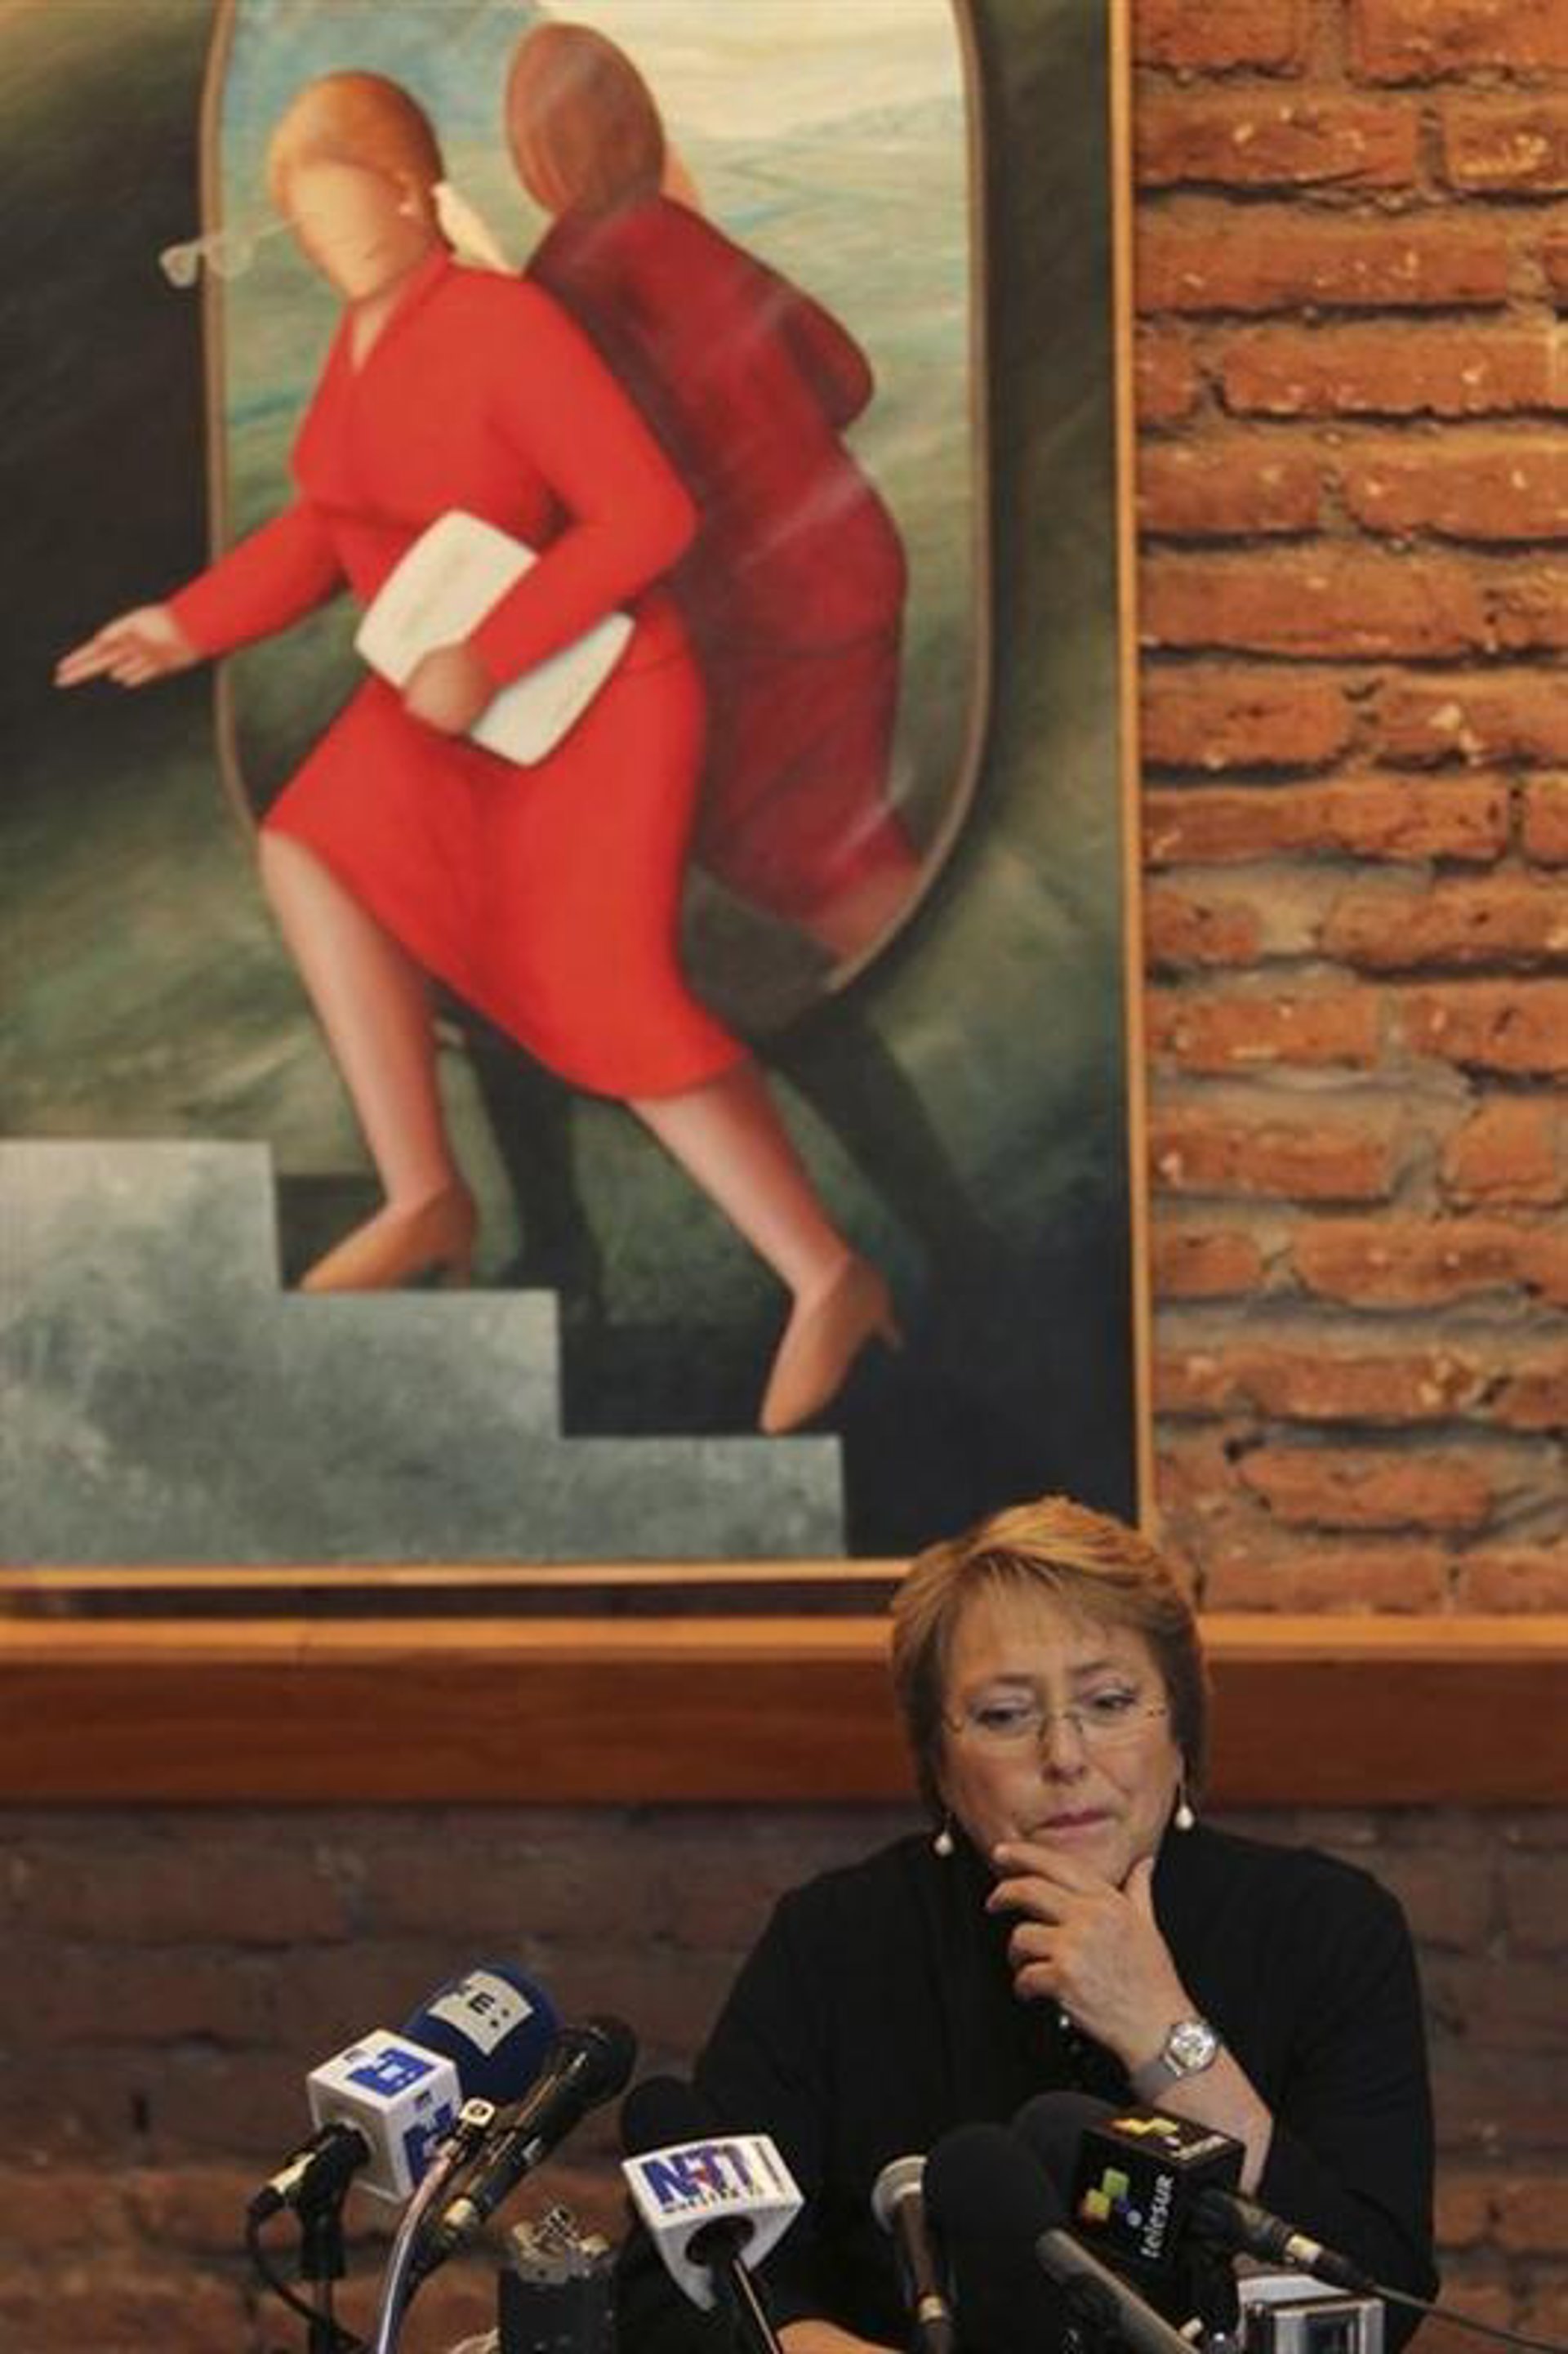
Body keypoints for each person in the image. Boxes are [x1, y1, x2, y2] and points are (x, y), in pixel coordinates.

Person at [56, 70, 897, 1436]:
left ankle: (829, 1277)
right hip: (455, 704)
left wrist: (492, 653)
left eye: (345, 222)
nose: (330, 254)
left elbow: (646, 518)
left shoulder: (506, 324)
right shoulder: (365, 337)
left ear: (411, 194)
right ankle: (428, 1196)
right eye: (307, 235)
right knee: (311, 845)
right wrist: (185, 623)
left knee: (605, 992)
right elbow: (329, 525)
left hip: (598, 697)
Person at [615, 1495, 1438, 2352]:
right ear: (940, 1762)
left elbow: (1380, 2295)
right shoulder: (836, 1942)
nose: (1065, 1755)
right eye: (1005, 1715)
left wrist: (1163, 2035)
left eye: (1109, 1701)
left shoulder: (1324, 1929)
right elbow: (676, 2291)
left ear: (1182, 1728)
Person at [506, 21, 923, 961]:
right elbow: (846, 377)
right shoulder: (687, 238)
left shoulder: (559, 279)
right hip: (854, 569)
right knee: (838, 842)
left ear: (534, 157)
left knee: (801, 855)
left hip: (757, 617)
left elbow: (557, 478)